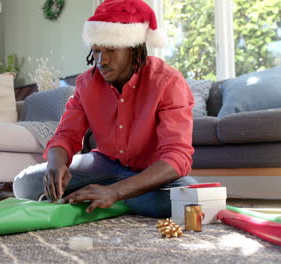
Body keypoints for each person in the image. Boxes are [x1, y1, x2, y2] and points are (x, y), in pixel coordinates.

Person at [13, 0, 197, 218]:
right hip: (105, 165)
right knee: (25, 184)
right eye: (97, 51)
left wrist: (116, 191)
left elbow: (177, 157)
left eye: (111, 49)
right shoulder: (86, 83)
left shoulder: (168, 81)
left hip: (151, 172)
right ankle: (116, 198)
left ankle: (111, 198)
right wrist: (55, 164)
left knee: (190, 200)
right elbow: (66, 134)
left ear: (133, 49)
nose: (102, 60)